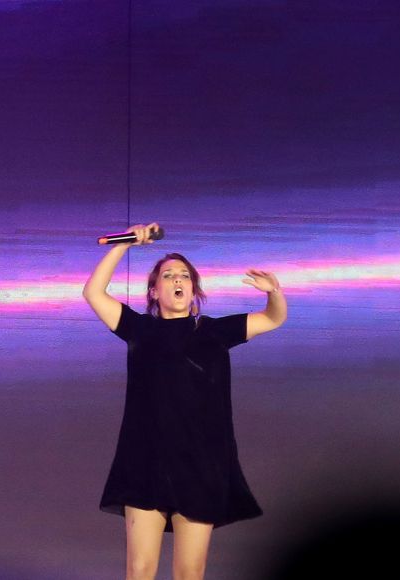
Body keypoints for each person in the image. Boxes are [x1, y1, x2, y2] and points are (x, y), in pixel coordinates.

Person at [83, 222, 288, 580]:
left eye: (184, 276)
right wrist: (126, 244)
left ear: (193, 289)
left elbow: (273, 318)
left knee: (190, 573)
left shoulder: (213, 332)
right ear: (154, 289)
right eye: (168, 275)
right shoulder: (139, 329)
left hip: (200, 466)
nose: (177, 280)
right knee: (139, 569)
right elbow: (93, 293)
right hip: (145, 462)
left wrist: (274, 292)